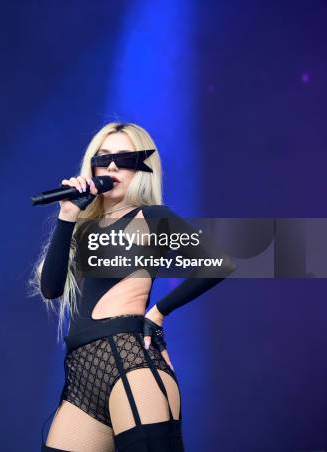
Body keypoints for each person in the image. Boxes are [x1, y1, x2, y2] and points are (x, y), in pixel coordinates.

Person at [30, 122, 236, 451]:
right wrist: (67, 216)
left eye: (125, 158)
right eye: (104, 157)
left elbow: (218, 263)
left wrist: (158, 311)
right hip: (82, 374)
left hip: (131, 363)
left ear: (141, 169)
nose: (112, 166)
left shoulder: (152, 217)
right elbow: (51, 288)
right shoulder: (82, 226)